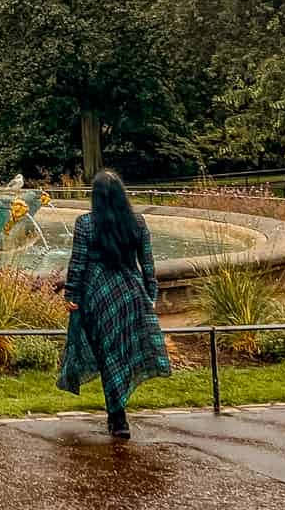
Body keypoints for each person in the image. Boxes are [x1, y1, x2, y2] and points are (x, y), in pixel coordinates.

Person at [56, 170, 171, 439]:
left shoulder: (85, 224)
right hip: (131, 296)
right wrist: (150, 295)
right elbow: (148, 264)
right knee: (122, 354)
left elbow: (78, 263)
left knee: (108, 356)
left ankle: (118, 418)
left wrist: (71, 295)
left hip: (98, 296)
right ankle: (117, 415)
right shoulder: (137, 223)